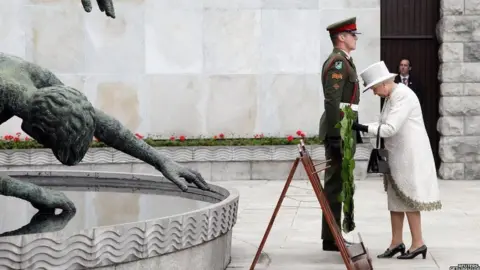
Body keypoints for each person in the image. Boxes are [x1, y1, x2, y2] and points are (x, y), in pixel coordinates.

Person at [353, 61, 442, 259]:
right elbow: (383, 123)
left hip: (409, 156)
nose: (374, 93)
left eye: (374, 88)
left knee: (408, 198)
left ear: (384, 83)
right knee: (395, 199)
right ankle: (396, 242)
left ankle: (418, 243)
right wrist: (362, 125)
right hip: (396, 156)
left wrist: (362, 128)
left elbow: (390, 128)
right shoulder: (391, 96)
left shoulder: (402, 96)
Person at [318, 17, 362, 252]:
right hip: (339, 129)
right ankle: (332, 237)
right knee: (336, 183)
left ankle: (334, 234)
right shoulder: (338, 62)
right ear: (342, 38)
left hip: (346, 126)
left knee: (340, 181)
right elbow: (332, 100)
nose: (355, 38)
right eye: (353, 34)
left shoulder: (345, 61)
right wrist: (336, 135)